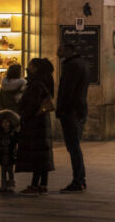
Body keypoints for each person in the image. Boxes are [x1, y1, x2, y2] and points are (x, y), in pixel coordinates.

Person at [16, 58, 55, 195]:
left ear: (36, 69)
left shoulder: (35, 85)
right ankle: (43, 184)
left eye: (31, 67)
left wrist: (23, 117)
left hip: (35, 123)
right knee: (42, 154)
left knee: (37, 155)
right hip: (42, 122)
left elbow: (31, 105)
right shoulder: (44, 82)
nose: (28, 68)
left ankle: (33, 186)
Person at [56, 41, 90, 193]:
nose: (58, 50)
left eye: (60, 47)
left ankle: (78, 180)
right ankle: (80, 179)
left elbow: (67, 91)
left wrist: (62, 109)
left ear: (68, 49)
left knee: (73, 147)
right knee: (74, 146)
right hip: (78, 109)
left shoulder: (71, 66)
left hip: (71, 111)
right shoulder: (81, 63)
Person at [0, 109, 20, 192]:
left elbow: (18, 142)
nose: (5, 124)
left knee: (10, 170)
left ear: (10, 123)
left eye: (7, 122)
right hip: (1, 155)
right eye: (3, 122)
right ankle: (3, 185)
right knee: (3, 171)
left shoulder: (14, 134)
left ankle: (11, 185)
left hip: (10, 155)